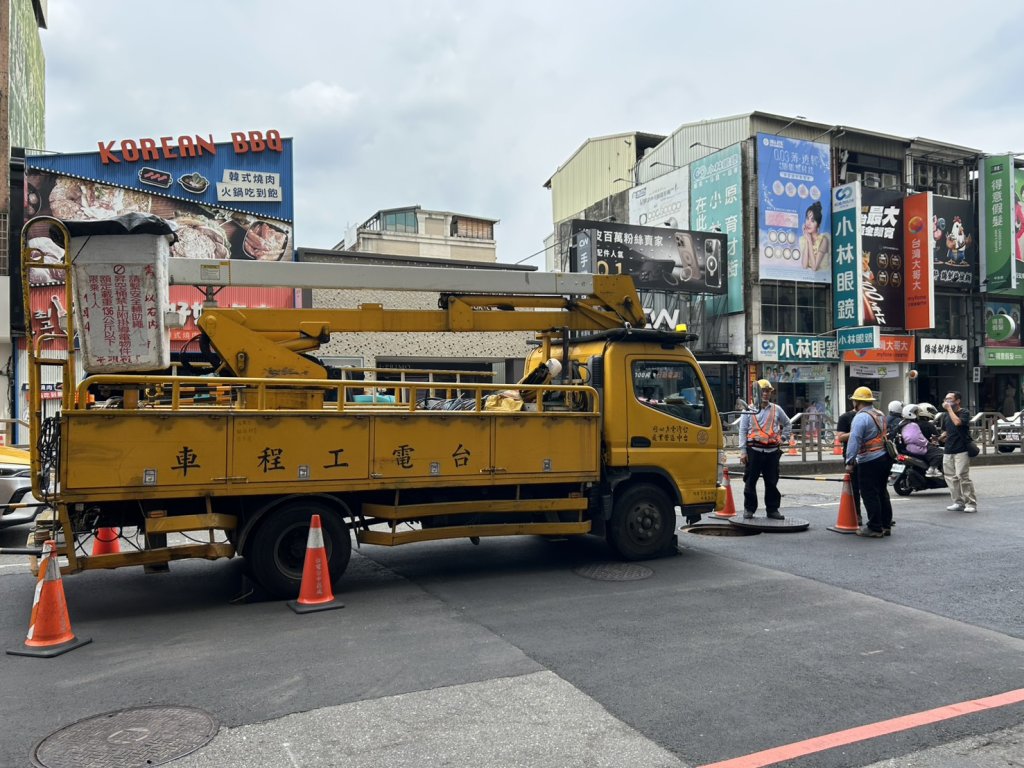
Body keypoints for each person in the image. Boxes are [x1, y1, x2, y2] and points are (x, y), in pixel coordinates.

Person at [738, 379, 791, 520]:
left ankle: (772, 510)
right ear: (756, 393)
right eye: (763, 391)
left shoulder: (776, 409)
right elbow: (742, 431)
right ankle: (749, 509)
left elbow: (787, 424)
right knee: (750, 481)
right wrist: (743, 451)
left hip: (772, 452)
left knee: (772, 482)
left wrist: (783, 438)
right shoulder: (748, 410)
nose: (765, 394)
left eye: (768, 391)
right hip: (754, 450)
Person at [844, 386, 893, 538]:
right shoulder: (880, 414)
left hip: (869, 460)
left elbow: (855, 439)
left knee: (869, 493)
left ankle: (874, 527)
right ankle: (885, 525)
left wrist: (850, 461)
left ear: (857, 402)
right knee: (882, 492)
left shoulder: (860, 417)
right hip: (884, 457)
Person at [940, 391, 977, 513]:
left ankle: (970, 503)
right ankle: (957, 502)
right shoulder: (945, 416)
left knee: (962, 476)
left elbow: (957, 423)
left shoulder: (964, 412)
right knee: (950, 477)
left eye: (950, 399)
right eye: (946, 399)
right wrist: (940, 438)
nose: (947, 401)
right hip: (948, 449)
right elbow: (947, 431)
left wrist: (950, 409)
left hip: (961, 449)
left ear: (957, 401)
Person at [835, 405, 864, 525]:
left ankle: (883, 518)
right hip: (853, 456)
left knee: (875, 489)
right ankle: (857, 515)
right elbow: (841, 437)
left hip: (872, 456)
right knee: (855, 488)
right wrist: (857, 432)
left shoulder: (875, 415)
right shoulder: (845, 417)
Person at [897, 404, 942, 477]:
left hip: (906, 448)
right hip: (916, 447)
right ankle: (932, 469)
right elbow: (917, 439)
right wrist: (926, 443)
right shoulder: (912, 425)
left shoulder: (902, 423)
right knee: (940, 453)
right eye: (915, 412)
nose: (917, 414)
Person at [799, 201, 830, 271]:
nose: (808, 223)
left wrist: (809, 241)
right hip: (809, 279)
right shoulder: (803, 239)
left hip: (823, 279)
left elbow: (814, 267)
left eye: (813, 221)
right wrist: (807, 239)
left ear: (818, 225)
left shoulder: (824, 240)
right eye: (807, 218)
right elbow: (804, 265)